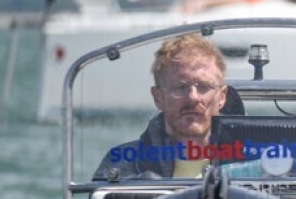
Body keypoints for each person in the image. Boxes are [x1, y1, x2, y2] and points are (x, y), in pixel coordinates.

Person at [93, 32, 229, 180]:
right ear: (158, 97)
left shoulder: (254, 162)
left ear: (222, 97)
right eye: (180, 87)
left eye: (203, 86)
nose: (193, 97)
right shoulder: (120, 163)